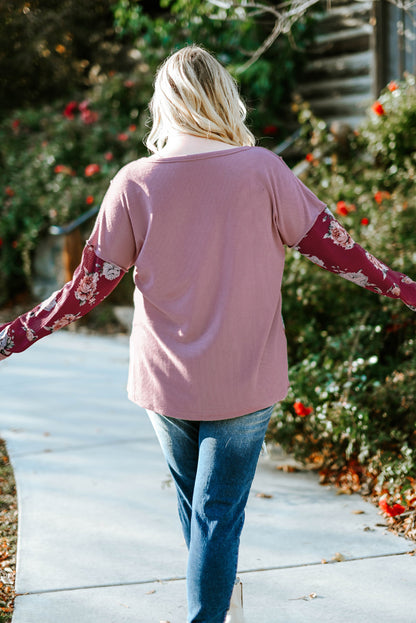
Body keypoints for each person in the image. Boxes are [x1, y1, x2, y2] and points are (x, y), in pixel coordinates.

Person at [1, 45, 415, 623]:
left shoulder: (134, 183)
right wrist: (408, 289)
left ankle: (214, 605)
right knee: (214, 514)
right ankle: (216, 605)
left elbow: (84, 293)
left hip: (165, 382)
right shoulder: (265, 172)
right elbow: (344, 255)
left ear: (162, 103)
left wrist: (12, 337)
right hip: (243, 379)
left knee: (201, 508)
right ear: (224, 97)